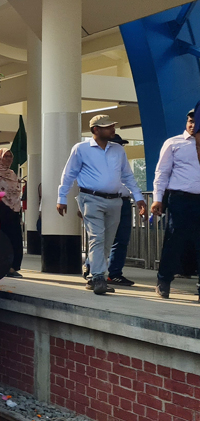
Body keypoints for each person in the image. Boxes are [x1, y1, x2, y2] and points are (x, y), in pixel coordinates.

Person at [58, 114, 145, 295]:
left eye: (112, 126)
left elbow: (127, 176)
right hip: (90, 198)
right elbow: (69, 174)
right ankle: (98, 277)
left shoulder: (118, 150)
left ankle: (95, 276)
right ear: (95, 130)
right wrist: (62, 198)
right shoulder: (81, 149)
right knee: (97, 237)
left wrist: (138, 197)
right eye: (107, 127)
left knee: (107, 240)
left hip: (115, 201)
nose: (112, 129)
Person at [151, 109, 200, 300]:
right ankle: (163, 279)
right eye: (190, 121)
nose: (192, 125)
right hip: (181, 199)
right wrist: (157, 198)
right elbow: (162, 173)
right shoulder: (174, 143)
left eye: (196, 121)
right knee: (174, 240)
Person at [0, 149, 24, 278]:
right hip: (0, 210)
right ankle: (1, 266)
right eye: (5, 157)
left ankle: (13, 266)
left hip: (14, 210)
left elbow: (16, 192)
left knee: (15, 239)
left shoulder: (12, 174)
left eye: (10, 157)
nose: (8, 159)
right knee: (1, 239)